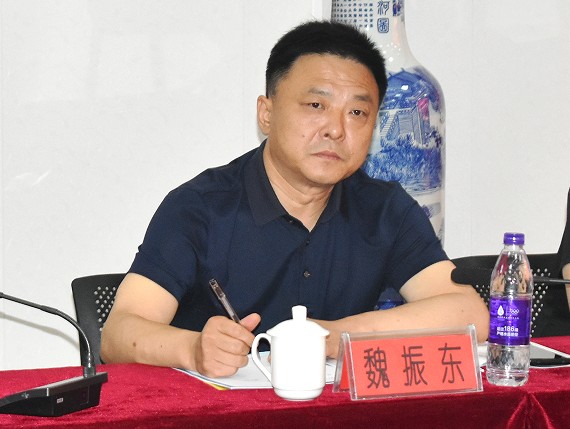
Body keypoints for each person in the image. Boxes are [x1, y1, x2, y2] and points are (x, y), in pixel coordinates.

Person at [100, 20, 489, 377]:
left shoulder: (384, 209)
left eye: (357, 112)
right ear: (266, 114)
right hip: (217, 411)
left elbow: (468, 312)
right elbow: (117, 334)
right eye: (316, 105)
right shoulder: (200, 207)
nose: (336, 129)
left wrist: (333, 337)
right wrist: (193, 348)